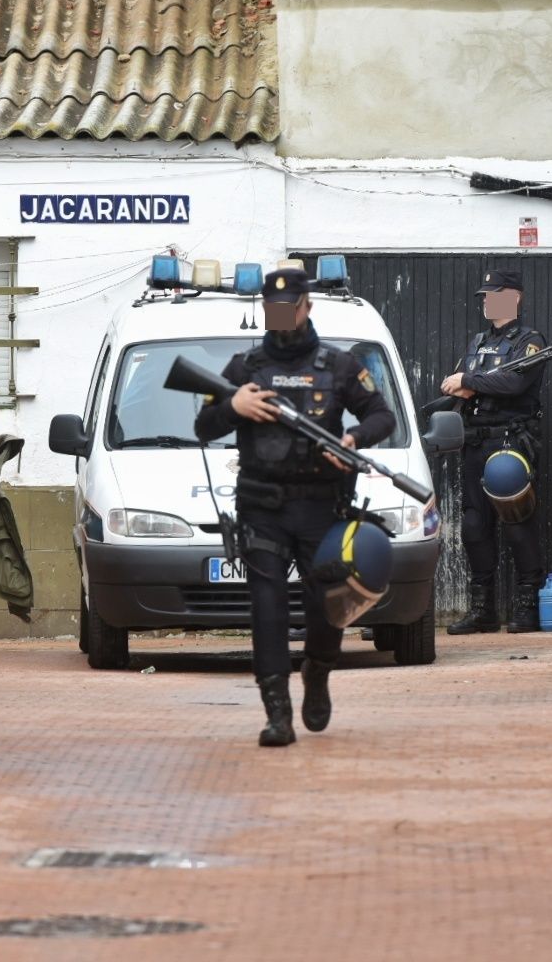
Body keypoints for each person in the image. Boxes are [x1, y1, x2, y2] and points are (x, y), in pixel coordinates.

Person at [195, 269, 395, 747]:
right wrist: (233, 408)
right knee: (268, 607)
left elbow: (382, 415)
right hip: (262, 506)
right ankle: (277, 713)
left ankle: (318, 670)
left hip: (322, 506)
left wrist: (352, 439)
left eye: (290, 307)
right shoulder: (243, 368)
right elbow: (204, 426)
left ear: (307, 307)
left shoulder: (339, 365)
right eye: (273, 308)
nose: (282, 315)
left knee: (326, 605)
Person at [440, 269, 548, 635]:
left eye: (494, 294)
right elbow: (452, 385)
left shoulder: (530, 341)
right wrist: (469, 383)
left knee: (517, 522)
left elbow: (514, 383)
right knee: (474, 526)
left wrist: (471, 382)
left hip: (509, 442)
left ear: (514, 297)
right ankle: (482, 610)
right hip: (475, 441)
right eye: (485, 295)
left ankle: (528, 607)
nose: (487, 301)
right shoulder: (478, 341)